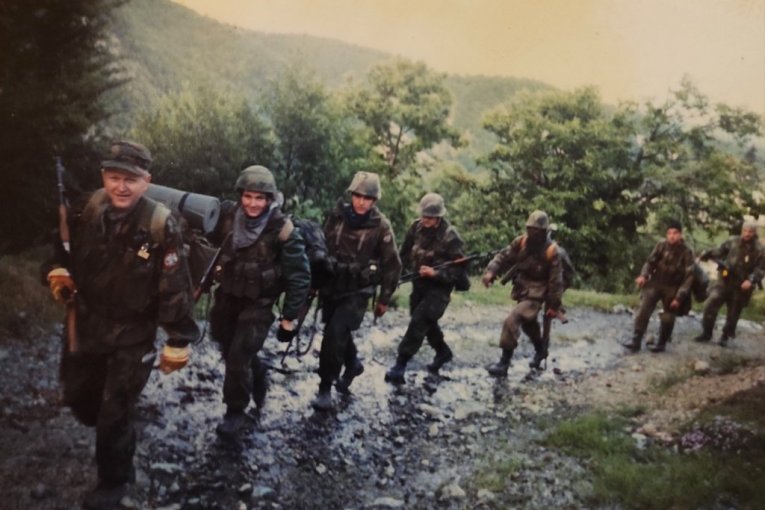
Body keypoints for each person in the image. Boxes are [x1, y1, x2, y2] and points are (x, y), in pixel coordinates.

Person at [44, 140, 199, 509]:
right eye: (114, 177)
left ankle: (114, 481)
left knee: (114, 410)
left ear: (147, 181)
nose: (121, 187)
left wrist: (178, 339)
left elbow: (174, 285)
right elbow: (59, 249)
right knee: (81, 399)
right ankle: (114, 431)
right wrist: (57, 271)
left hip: (133, 335)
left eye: (131, 179)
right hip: (88, 324)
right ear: (104, 177)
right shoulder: (87, 209)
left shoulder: (159, 224)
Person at [209, 165, 310, 436]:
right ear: (241, 195)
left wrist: (289, 317)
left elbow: (299, 275)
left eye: (260, 198)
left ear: (269, 199)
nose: (253, 204)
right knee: (225, 344)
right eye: (248, 196)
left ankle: (235, 411)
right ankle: (258, 371)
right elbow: (207, 247)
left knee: (238, 355)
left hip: (259, 304)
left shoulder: (282, 229)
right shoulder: (228, 218)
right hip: (228, 297)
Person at [312, 171, 402, 411]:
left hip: (358, 290)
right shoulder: (337, 216)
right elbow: (321, 244)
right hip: (332, 284)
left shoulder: (381, 226)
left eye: (367, 198)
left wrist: (384, 299)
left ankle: (325, 387)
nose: (361, 202)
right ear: (351, 195)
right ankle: (352, 364)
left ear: (374, 200)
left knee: (334, 334)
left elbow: (393, 265)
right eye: (358, 196)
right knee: (336, 330)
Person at [385, 193, 466, 383]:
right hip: (419, 284)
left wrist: (436, 273)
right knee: (424, 321)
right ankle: (443, 351)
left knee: (419, 321)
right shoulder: (416, 227)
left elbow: (459, 268)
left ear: (438, 217)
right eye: (424, 216)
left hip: (439, 289)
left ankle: (400, 364)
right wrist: (395, 274)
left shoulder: (451, 236)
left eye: (430, 217)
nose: (425, 220)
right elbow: (404, 253)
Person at [480, 210, 564, 376]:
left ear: (544, 232)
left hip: (538, 292)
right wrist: (491, 271)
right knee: (528, 323)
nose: (532, 233)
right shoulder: (521, 242)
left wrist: (554, 306)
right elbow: (503, 256)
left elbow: (556, 282)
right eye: (530, 229)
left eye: (536, 230)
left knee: (513, 320)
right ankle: (541, 350)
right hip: (522, 287)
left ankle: (504, 362)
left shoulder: (552, 251)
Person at [623, 220, 695, 353]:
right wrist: (644, 276)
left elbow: (689, 277)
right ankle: (636, 339)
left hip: (673, 286)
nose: (672, 236)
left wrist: (679, 297)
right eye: (669, 233)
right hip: (656, 282)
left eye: (675, 233)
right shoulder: (661, 245)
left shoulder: (687, 251)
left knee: (668, 316)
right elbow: (650, 262)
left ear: (680, 234)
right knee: (644, 309)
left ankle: (662, 342)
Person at [694, 221, 764, 346]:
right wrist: (704, 255)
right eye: (745, 231)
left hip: (741, 286)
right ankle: (706, 333)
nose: (747, 234)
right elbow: (718, 251)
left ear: (754, 233)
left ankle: (725, 336)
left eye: (750, 232)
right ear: (742, 231)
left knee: (733, 312)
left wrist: (750, 280)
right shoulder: (733, 241)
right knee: (711, 303)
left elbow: (761, 269)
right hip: (724, 281)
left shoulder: (759, 249)